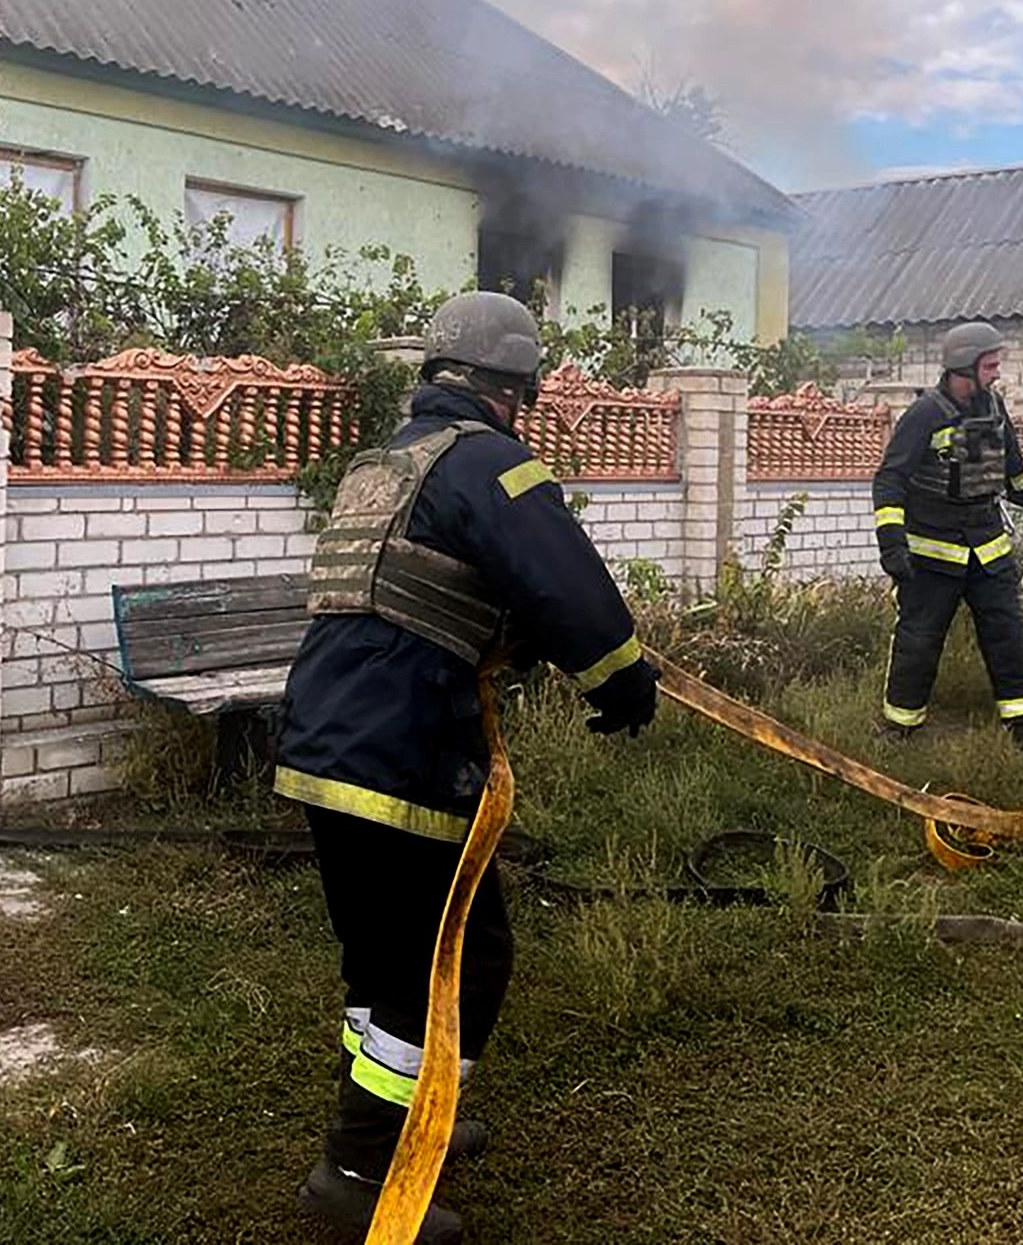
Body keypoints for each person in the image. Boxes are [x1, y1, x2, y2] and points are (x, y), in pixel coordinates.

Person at [274, 291, 660, 1242]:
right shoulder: (489, 461)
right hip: (401, 749)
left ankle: (413, 1113)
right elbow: (562, 580)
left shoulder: (386, 462)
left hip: (323, 741)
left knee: (379, 951)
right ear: (508, 388)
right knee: (459, 957)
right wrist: (619, 678)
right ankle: (360, 1166)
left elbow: (433, 591)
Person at [871, 321, 1023, 756]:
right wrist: (892, 543)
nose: (997, 373)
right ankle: (899, 727)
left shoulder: (994, 407)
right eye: (991, 365)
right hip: (932, 557)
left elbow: (1013, 464)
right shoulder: (924, 414)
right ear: (965, 365)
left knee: (1009, 637)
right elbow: (889, 481)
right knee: (919, 641)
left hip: (988, 550)